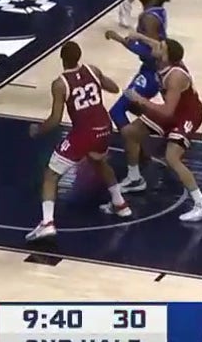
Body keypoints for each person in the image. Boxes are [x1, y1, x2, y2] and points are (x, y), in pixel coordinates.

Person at [25, 41, 128, 242]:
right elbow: (114, 88)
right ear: (79, 56)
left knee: (51, 174)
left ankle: (47, 223)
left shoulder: (60, 83)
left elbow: (55, 119)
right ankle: (120, 203)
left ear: (62, 58)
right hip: (105, 128)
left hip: (84, 133)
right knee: (99, 161)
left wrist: (38, 130)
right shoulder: (93, 70)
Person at [117, 39, 202, 222]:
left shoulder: (175, 76)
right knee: (130, 132)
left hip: (188, 115)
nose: (156, 47)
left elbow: (168, 111)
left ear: (167, 56)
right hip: (173, 110)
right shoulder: (163, 61)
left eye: (160, 47)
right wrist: (137, 35)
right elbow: (158, 44)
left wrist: (140, 99)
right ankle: (135, 178)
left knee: (172, 157)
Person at [105, 0, 172, 133]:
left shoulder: (148, 18)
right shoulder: (157, 11)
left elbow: (152, 53)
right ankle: (163, 129)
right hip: (150, 70)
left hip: (152, 72)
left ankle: (136, 146)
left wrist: (121, 40)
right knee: (136, 107)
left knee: (117, 111)